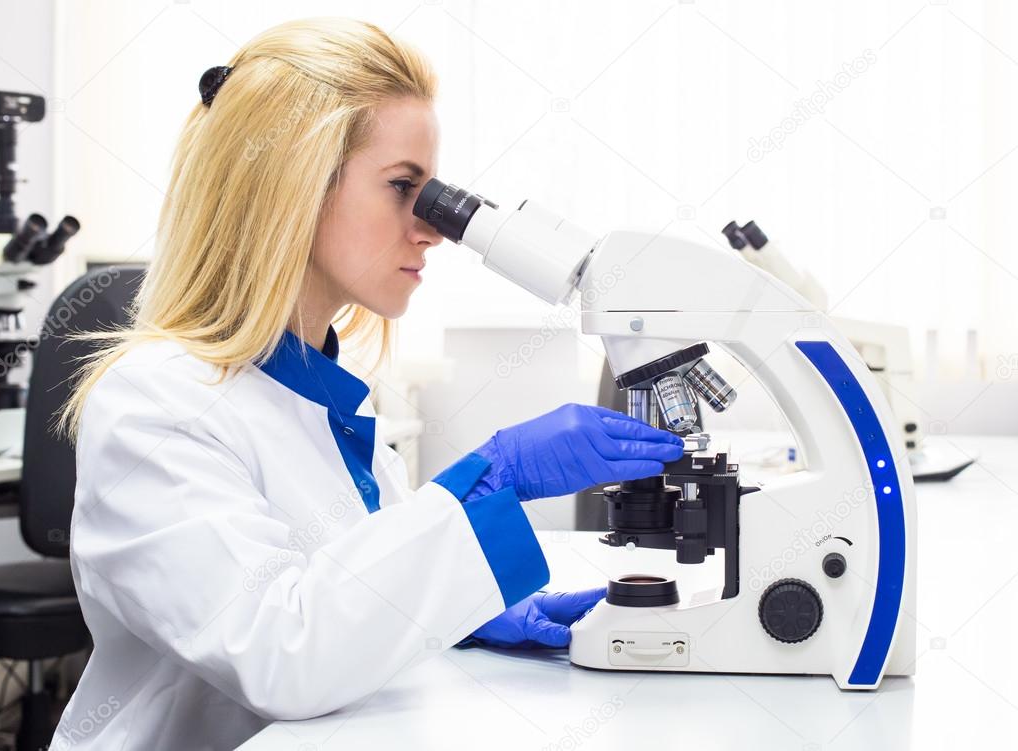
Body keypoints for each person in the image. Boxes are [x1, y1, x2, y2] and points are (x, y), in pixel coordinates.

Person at [50, 18, 683, 750]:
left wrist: (457, 611)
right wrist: (492, 476)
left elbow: (350, 590)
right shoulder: (157, 405)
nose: (435, 229)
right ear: (290, 187)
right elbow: (281, 653)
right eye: (403, 188)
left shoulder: (326, 395)